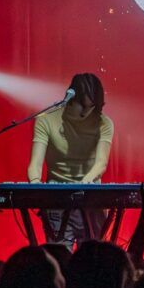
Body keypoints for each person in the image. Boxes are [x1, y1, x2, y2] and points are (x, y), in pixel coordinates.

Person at [27, 73, 114, 248]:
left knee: (93, 261)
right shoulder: (46, 121)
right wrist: (37, 189)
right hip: (56, 202)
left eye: (91, 107)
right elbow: (35, 164)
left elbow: (101, 163)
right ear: (70, 97)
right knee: (60, 258)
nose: (85, 112)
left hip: (91, 201)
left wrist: (81, 187)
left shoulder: (104, 123)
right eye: (82, 105)